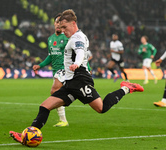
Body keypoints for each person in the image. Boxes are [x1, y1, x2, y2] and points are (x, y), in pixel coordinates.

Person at [9, 9, 144, 144]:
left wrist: (77, 64)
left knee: (101, 108)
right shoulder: (75, 37)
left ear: (73, 24)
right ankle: (27, 135)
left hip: (79, 80)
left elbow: (79, 52)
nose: (62, 30)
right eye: (60, 27)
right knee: (45, 106)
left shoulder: (77, 38)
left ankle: (126, 88)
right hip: (70, 82)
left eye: (65, 27)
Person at [33, 13, 69, 127]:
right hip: (56, 70)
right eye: (57, 22)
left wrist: (87, 67)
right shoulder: (50, 39)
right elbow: (51, 56)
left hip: (64, 69)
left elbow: (76, 52)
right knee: (64, 93)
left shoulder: (66, 38)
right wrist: (40, 65)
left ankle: (63, 120)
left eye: (60, 22)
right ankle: (63, 120)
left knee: (54, 91)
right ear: (54, 24)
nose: (58, 24)